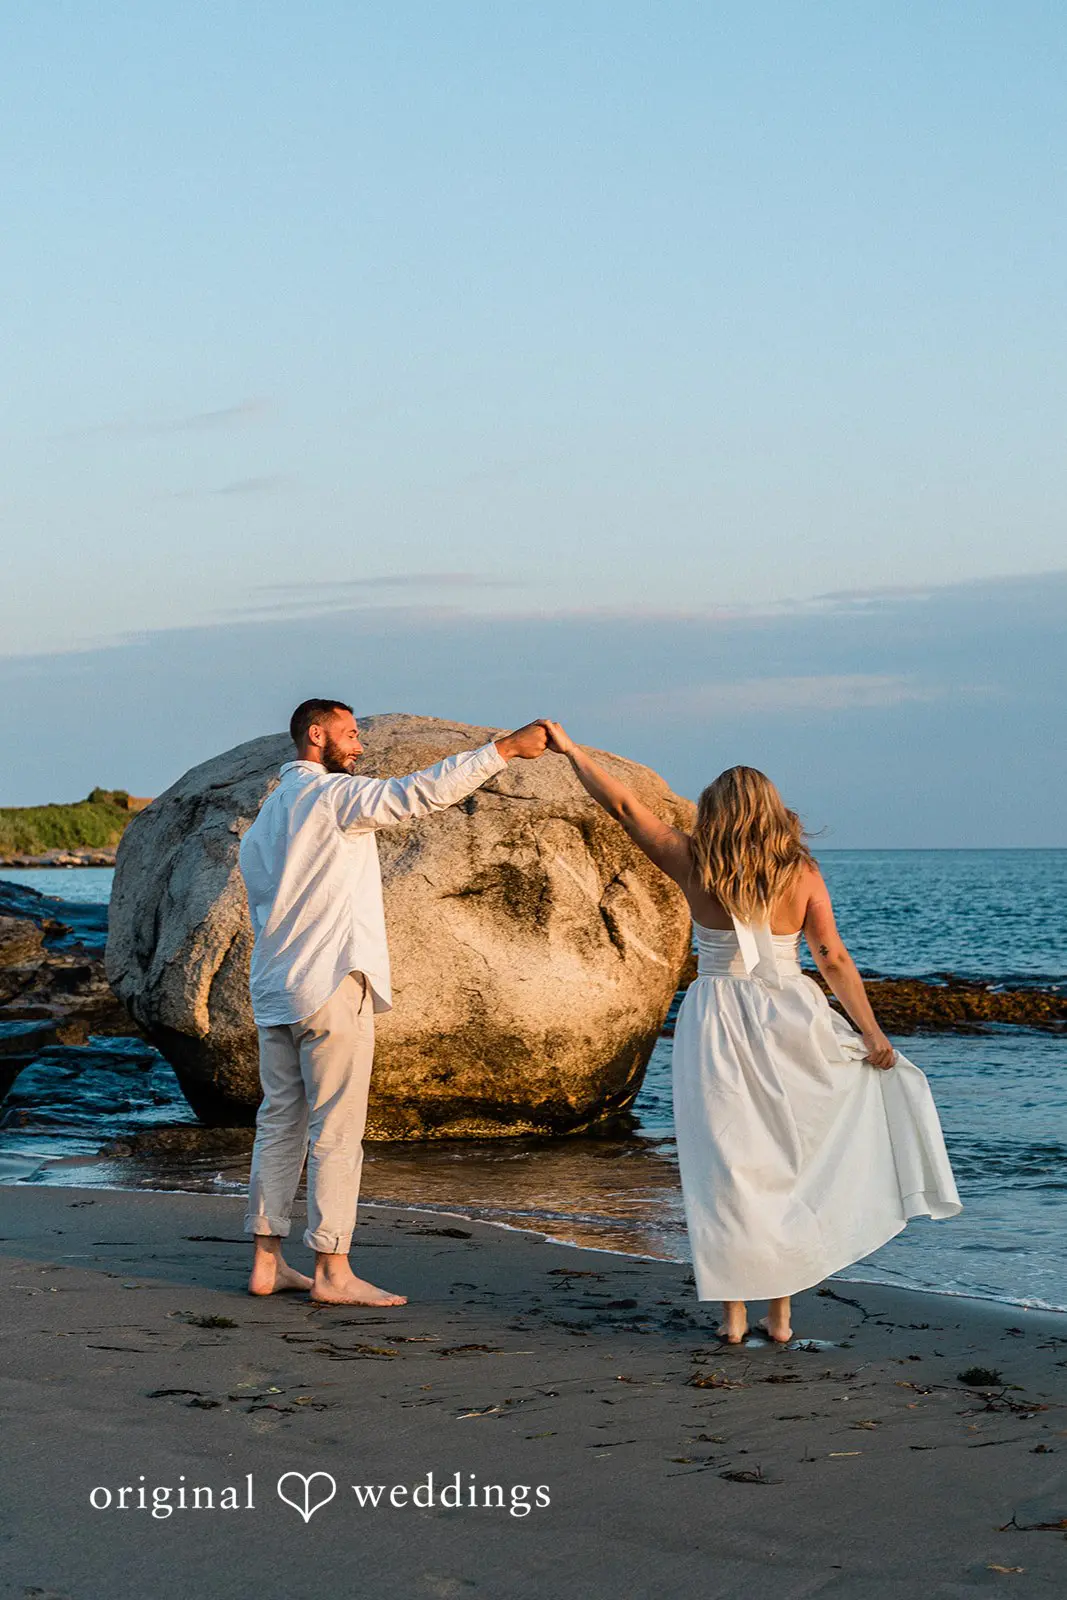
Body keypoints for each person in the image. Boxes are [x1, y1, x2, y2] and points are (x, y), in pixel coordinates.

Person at [539, 722, 961, 1345]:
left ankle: (734, 1318)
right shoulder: (803, 873)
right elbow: (834, 960)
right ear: (771, 810)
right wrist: (872, 1034)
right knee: (785, 1164)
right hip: (791, 1016)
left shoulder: (690, 860)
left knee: (726, 1167)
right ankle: (781, 1315)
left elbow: (626, 807)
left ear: (715, 813)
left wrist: (573, 751)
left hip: (716, 1017)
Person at [238, 700, 549, 1306]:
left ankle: (267, 1262)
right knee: (337, 1130)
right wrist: (503, 751)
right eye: (351, 735)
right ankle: (332, 1269)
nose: (359, 746)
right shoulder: (332, 798)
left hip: (275, 988)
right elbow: (416, 794)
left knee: (278, 1125)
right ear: (316, 734)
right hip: (329, 984)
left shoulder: (266, 815)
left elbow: (262, 903)